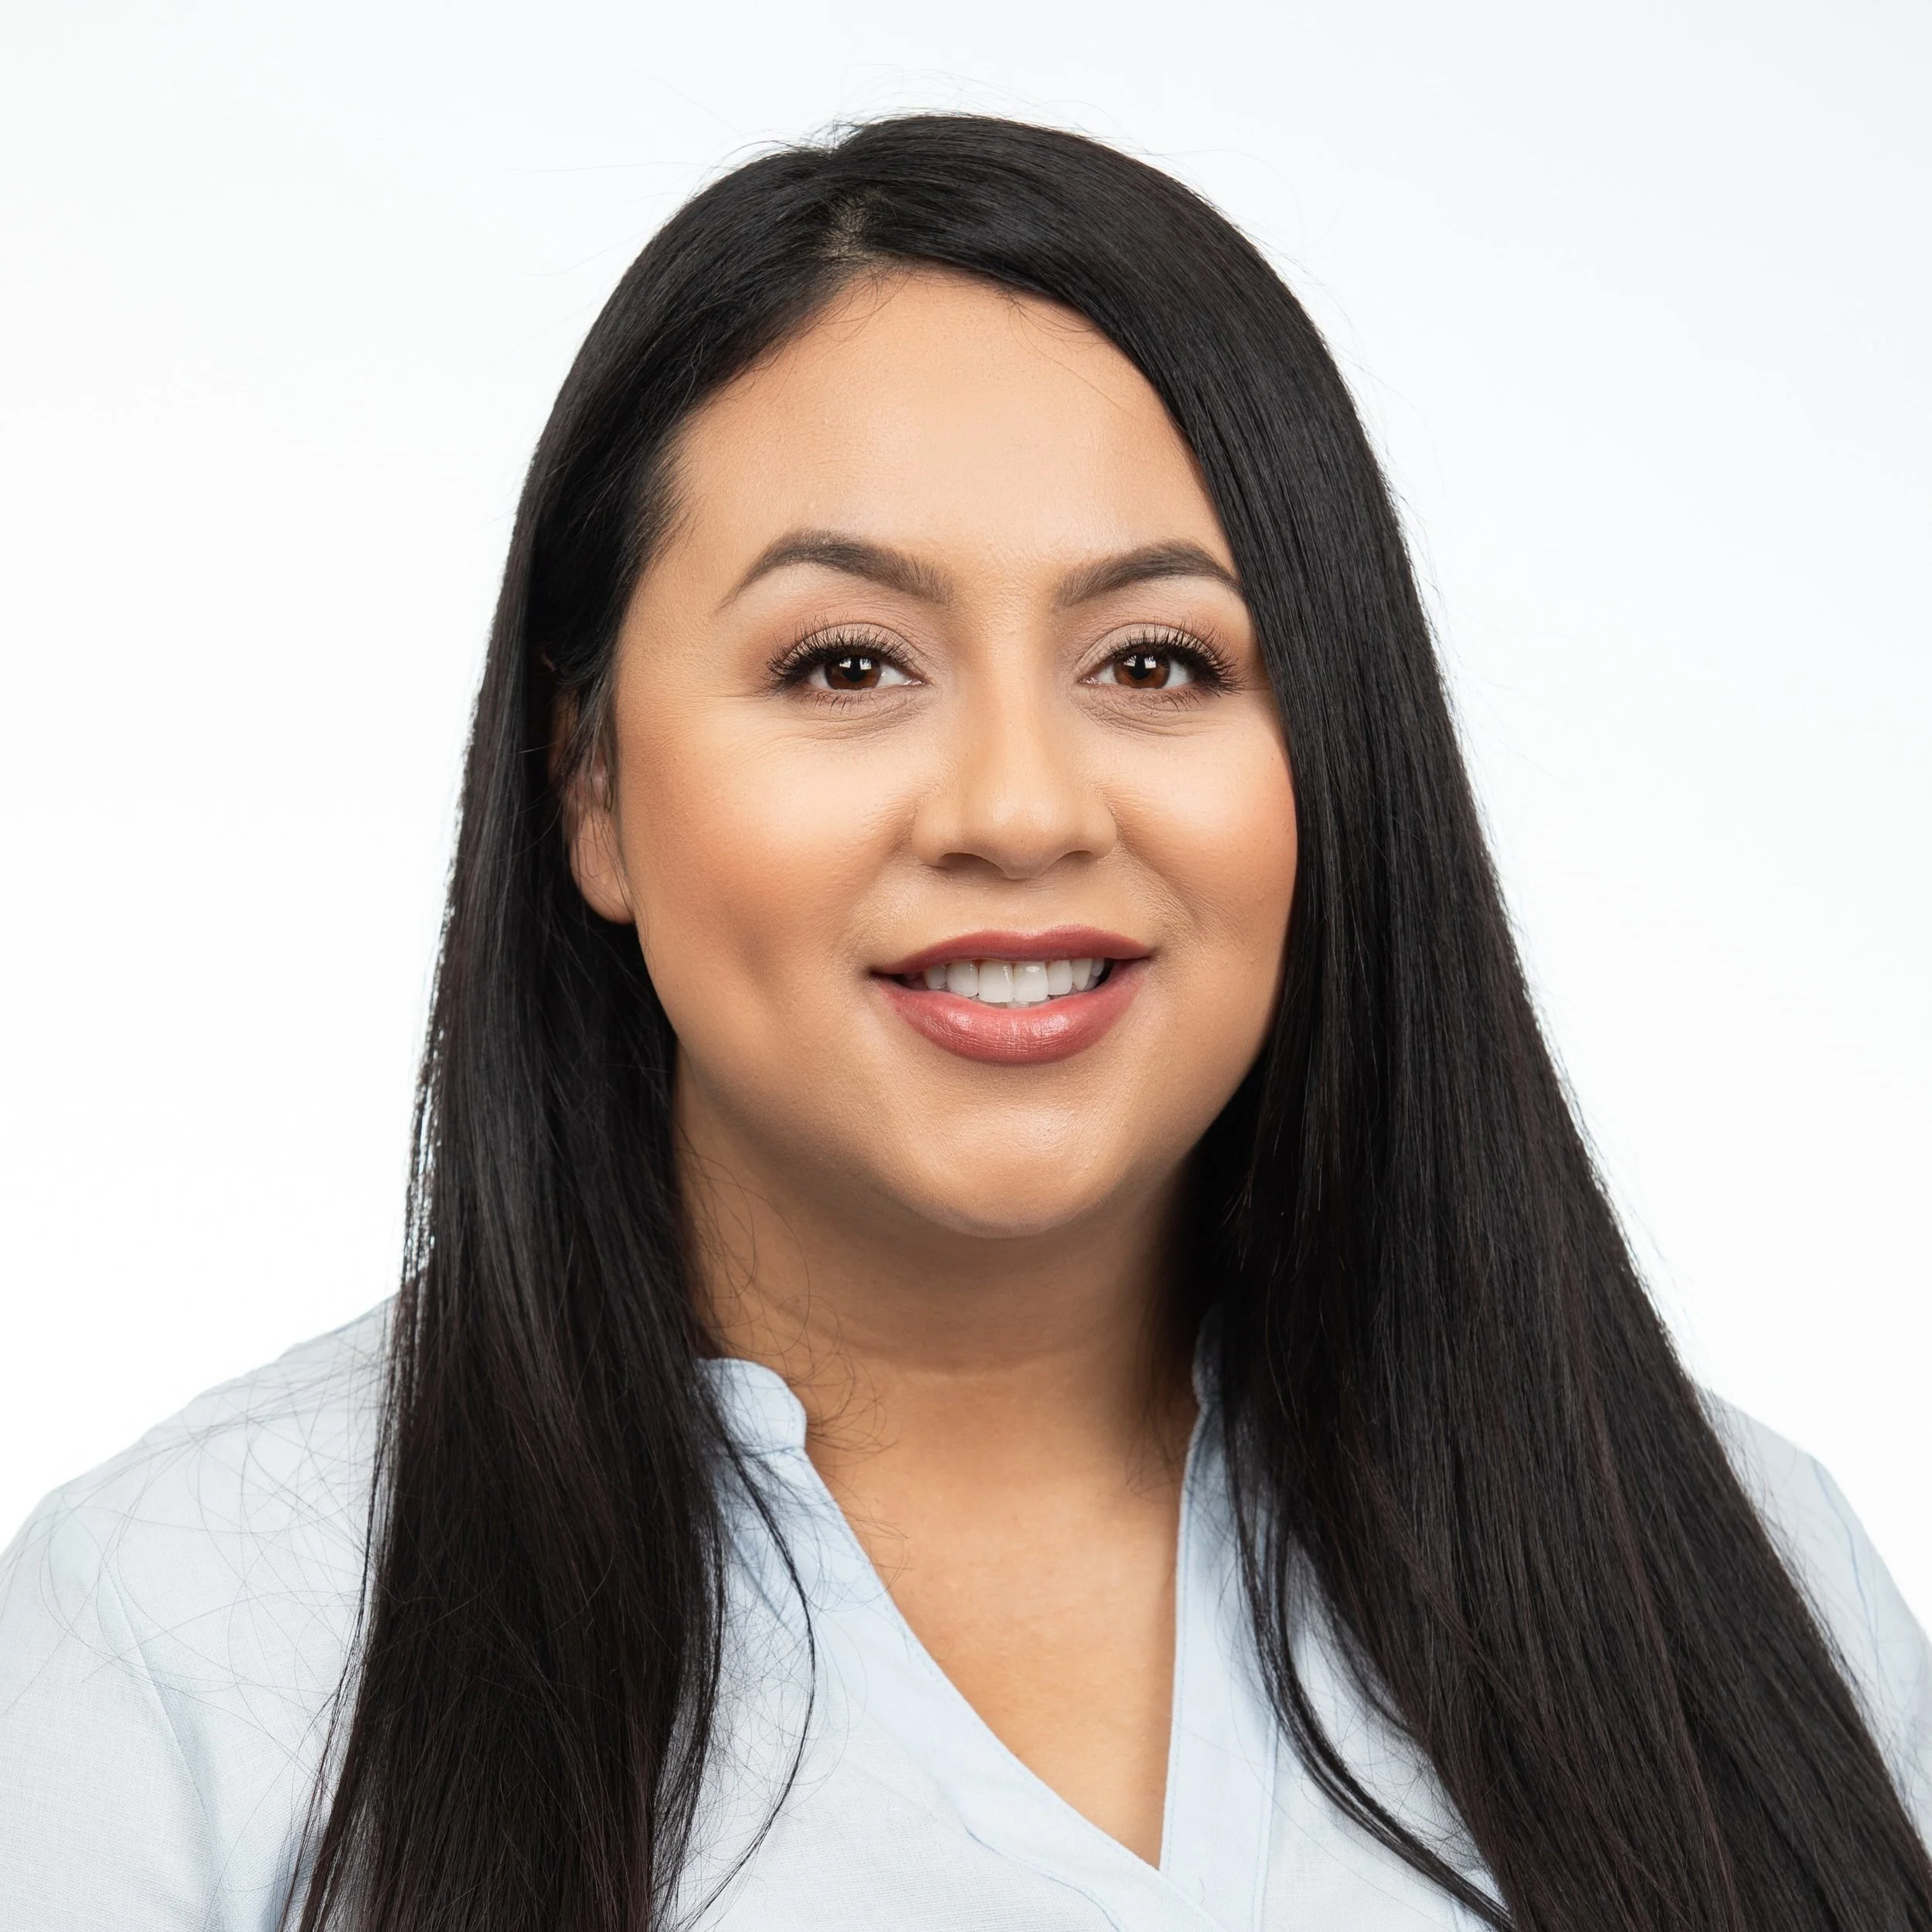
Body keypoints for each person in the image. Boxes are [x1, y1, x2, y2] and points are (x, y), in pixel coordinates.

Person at [1, 113, 1927, 1932]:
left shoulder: (1737, 1584)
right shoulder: (187, 1637)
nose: (1017, 806)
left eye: (1155, 659)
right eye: (844, 662)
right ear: (585, 783)